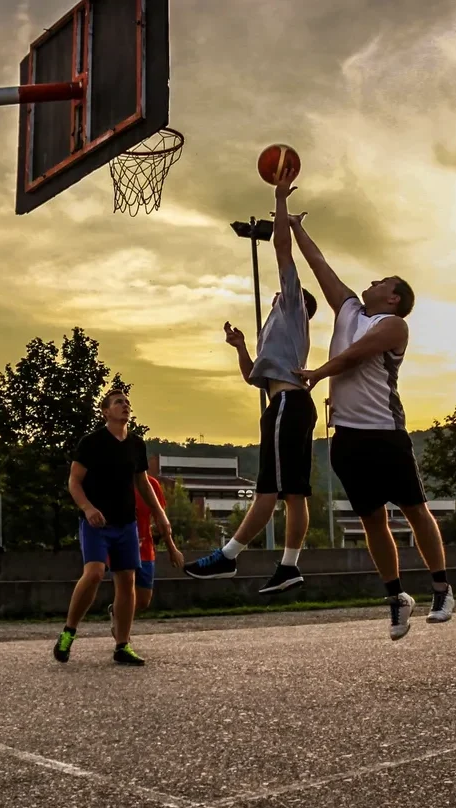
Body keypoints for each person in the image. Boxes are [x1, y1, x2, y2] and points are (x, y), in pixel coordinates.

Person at [288, 211, 454, 640]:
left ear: (394, 297)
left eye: (383, 281)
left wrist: (317, 373)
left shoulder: (393, 325)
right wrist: (294, 224)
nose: (374, 282)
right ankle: (397, 597)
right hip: (346, 438)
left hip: (385, 434)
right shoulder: (347, 308)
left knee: (415, 510)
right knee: (371, 520)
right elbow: (319, 265)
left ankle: (441, 588)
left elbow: (355, 356)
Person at [183, 168, 319, 595]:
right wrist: (241, 346)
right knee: (293, 494)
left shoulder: (293, 308)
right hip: (284, 405)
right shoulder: (272, 334)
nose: (278, 292)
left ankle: (227, 557)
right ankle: (289, 567)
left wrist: (279, 203)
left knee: (269, 490)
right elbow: (251, 378)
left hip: (287, 407)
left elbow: (282, 250)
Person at [53, 390, 184, 666]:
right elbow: (74, 482)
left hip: (127, 523)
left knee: (127, 582)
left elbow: (143, 483)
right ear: (105, 411)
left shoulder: (136, 444)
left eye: (127, 402)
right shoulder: (91, 443)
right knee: (95, 572)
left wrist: (160, 515)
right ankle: (69, 631)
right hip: (96, 523)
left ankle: (122, 645)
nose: (124, 406)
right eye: (118, 402)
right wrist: (88, 509)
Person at [108, 474, 167, 638]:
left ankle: (115, 611)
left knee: (143, 601)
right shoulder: (115, 483)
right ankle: (122, 638)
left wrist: (171, 547)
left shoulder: (151, 485)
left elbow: (160, 516)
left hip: (145, 548)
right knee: (125, 587)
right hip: (121, 545)